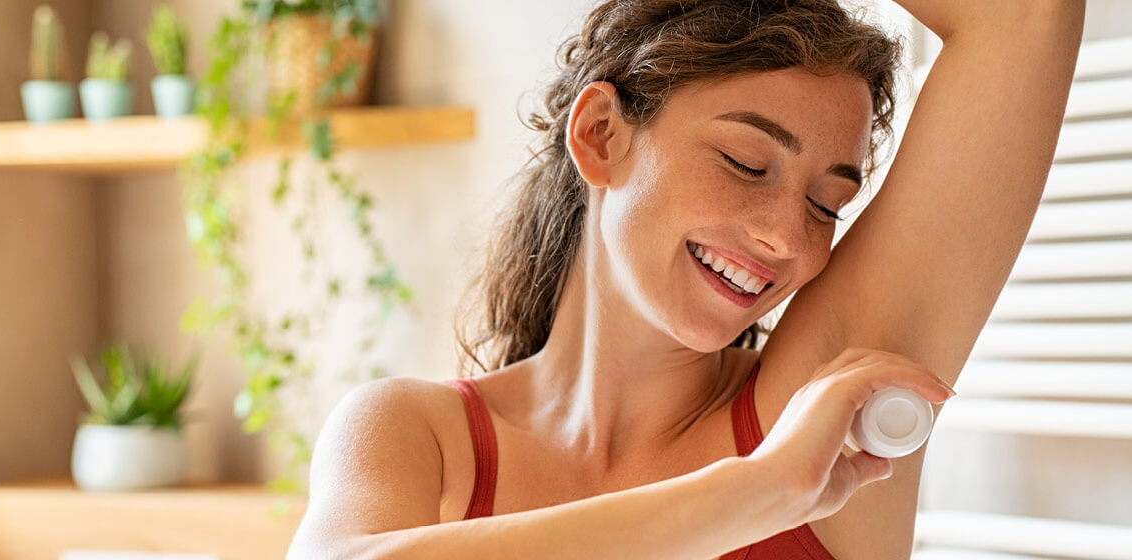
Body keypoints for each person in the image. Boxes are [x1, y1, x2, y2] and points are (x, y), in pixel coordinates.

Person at [288, 0, 1083, 558]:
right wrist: (761, 490)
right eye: (744, 163)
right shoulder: (414, 433)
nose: (785, 237)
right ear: (600, 135)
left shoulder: (812, 408)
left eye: (825, 203)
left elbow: (1022, 15)